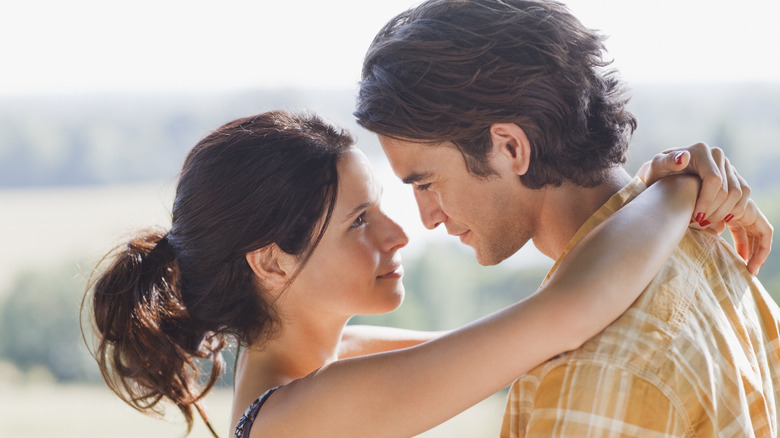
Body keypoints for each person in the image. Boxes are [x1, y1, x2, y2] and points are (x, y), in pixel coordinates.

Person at [83, 110, 760, 437]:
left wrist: (668, 181)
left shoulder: (329, 366)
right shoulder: (301, 417)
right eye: (358, 222)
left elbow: (551, 328)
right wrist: (677, 186)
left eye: (380, 206)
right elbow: (567, 313)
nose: (400, 232)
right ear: (270, 259)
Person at [354, 0, 778, 436]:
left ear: (511, 148)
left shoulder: (599, 367)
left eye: (425, 184)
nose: (427, 219)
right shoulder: (709, 253)